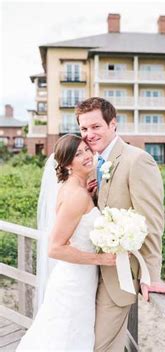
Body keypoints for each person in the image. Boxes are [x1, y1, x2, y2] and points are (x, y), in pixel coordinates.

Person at [75, 97, 165, 351]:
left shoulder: (137, 160)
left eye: (96, 126)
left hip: (118, 275)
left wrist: (151, 276)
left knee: (99, 346)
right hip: (88, 272)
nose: (89, 134)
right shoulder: (91, 164)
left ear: (113, 124)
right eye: (83, 129)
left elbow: (152, 221)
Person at [17, 134, 116, 351]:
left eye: (86, 150)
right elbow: (55, 248)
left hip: (80, 278)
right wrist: (101, 259)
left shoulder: (77, 190)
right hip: (74, 283)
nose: (87, 156)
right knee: (67, 339)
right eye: (78, 154)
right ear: (67, 163)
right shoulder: (76, 195)